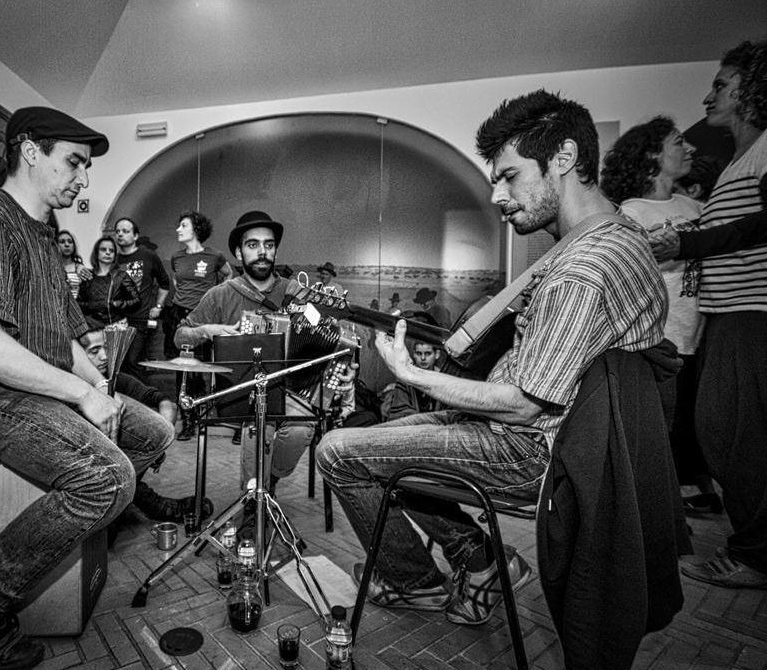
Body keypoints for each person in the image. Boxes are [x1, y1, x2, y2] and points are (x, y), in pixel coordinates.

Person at [316, 90, 667, 626]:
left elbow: (524, 403)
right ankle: (481, 562)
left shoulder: (583, 270)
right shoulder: (621, 235)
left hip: (528, 449)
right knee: (383, 438)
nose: (498, 195)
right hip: (538, 435)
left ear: (564, 158)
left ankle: (417, 582)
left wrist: (412, 373)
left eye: (509, 176)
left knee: (338, 452)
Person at [0, 106, 173, 669]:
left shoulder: (43, 236)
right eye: (74, 162)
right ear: (30, 151)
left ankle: (82, 521)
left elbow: (62, 341)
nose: (83, 178)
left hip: (26, 390)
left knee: (152, 432)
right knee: (107, 477)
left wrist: (99, 384)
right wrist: (80, 396)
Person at [670, 40, 767, 590]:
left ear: (752, 89)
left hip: (753, 314)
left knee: (734, 437)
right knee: (726, 433)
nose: (709, 96)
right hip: (730, 315)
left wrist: (687, 245)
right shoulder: (740, 160)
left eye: (722, 84)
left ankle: (755, 555)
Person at [601, 117, 719, 514]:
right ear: (652, 154)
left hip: (700, 334)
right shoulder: (631, 213)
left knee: (692, 427)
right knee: (658, 430)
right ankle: (657, 511)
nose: (690, 149)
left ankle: (688, 496)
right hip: (658, 340)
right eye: (678, 141)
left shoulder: (698, 208)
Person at [175, 211, 316, 507]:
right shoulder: (220, 295)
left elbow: (321, 336)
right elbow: (180, 335)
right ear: (239, 253)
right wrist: (208, 330)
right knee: (258, 422)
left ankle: (267, 482)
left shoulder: (295, 292)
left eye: (269, 244)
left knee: (302, 426)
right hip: (237, 391)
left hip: (286, 389)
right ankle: (254, 501)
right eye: (253, 245)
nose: (262, 251)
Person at [80, 327, 212, 524]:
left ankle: (143, 503)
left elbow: (166, 403)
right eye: (94, 351)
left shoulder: (114, 378)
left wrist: (160, 443)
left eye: (106, 348)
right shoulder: (71, 386)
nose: (104, 356)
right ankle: (151, 504)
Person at [165, 210, 233, 440]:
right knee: (182, 370)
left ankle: (202, 416)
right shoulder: (176, 257)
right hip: (179, 316)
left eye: (183, 225)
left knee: (200, 371)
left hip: (203, 317)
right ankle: (187, 421)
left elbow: (229, 275)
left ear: (196, 229)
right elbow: (177, 281)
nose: (178, 229)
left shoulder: (215, 256)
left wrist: (215, 298)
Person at [113, 217, 170, 380]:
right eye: (117, 231)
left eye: (125, 231)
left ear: (135, 236)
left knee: (134, 362)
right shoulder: (113, 259)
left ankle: (139, 395)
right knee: (119, 364)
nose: (120, 234)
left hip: (139, 319)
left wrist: (158, 306)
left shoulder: (148, 256)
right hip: (117, 320)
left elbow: (165, 283)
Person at [76, 235, 140, 324]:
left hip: (116, 326)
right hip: (92, 326)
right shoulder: (88, 276)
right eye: (103, 249)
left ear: (114, 255)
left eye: (111, 250)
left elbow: (137, 301)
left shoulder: (121, 276)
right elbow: (78, 304)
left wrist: (116, 304)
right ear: (96, 253)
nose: (108, 253)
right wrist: (92, 305)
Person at [383, 341, 441, 420]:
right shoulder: (406, 376)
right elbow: (400, 411)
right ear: (413, 354)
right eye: (419, 353)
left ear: (437, 354)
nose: (423, 358)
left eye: (428, 353)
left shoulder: (442, 378)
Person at [56, 229, 86, 299]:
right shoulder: (51, 267)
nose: (67, 245)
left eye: (70, 242)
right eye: (62, 242)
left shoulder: (80, 268)